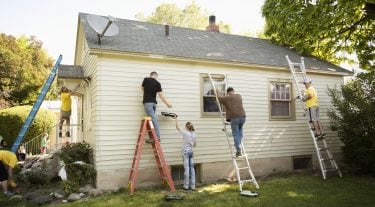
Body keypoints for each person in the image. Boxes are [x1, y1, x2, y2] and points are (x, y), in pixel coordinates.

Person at [141, 71, 172, 143]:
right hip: (154, 103)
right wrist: (167, 104)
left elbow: (142, 88)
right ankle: (153, 137)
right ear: (156, 76)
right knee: (151, 120)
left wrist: (146, 94)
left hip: (147, 103)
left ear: (151, 75)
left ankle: (157, 137)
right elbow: (160, 95)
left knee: (153, 119)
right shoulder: (158, 83)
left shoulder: (146, 79)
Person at [217, 87, 246, 157]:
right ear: (233, 91)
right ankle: (238, 143)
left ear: (228, 93)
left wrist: (218, 92)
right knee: (240, 132)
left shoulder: (227, 98)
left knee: (235, 134)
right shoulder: (239, 96)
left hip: (234, 118)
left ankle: (238, 151)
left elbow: (219, 99)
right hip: (243, 117)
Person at [175, 118, 197, 191]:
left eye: (185, 126)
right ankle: (193, 186)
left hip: (185, 152)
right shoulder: (194, 134)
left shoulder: (185, 132)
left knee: (187, 169)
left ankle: (186, 186)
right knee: (192, 169)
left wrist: (176, 119)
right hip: (191, 151)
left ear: (187, 127)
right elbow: (194, 145)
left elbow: (177, 128)